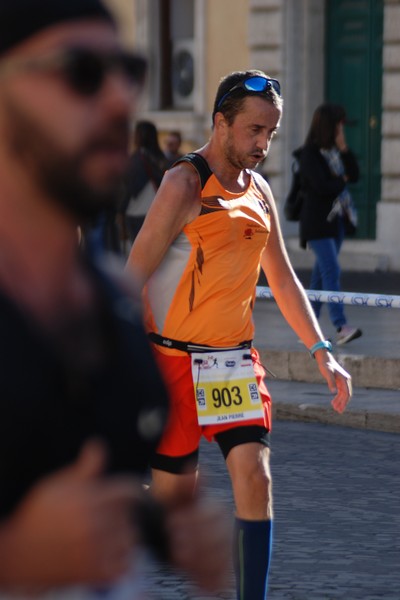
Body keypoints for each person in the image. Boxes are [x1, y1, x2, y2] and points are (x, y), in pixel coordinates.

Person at [0, 0, 230, 595]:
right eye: (81, 72)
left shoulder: (113, 303)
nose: (117, 100)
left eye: (128, 70)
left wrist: (159, 529)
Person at [126, 69, 353, 600]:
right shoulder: (183, 184)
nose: (262, 144)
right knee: (171, 504)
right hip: (172, 364)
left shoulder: (262, 191)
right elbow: (130, 277)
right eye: (254, 130)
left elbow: (284, 278)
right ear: (220, 122)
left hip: (231, 363)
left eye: (271, 132)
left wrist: (322, 351)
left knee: (256, 478)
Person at [298, 103, 362, 345]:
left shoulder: (336, 151)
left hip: (337, 222)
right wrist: (341, 179)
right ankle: (341, 326)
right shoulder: (310, 154)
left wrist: (345, 149)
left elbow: (354, 175)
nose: (341, 130)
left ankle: (308, 329)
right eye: (339, 125)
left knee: (319, 279)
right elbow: (322, 186)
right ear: (329, 126)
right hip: (316, 223)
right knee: (331, 271)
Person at [121, 120, 168, 245]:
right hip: (157, 212)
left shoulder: (135, 159)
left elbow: (127, 189)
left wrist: (120, 213)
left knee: (137, 255)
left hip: (135, 212)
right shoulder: (161, 158)